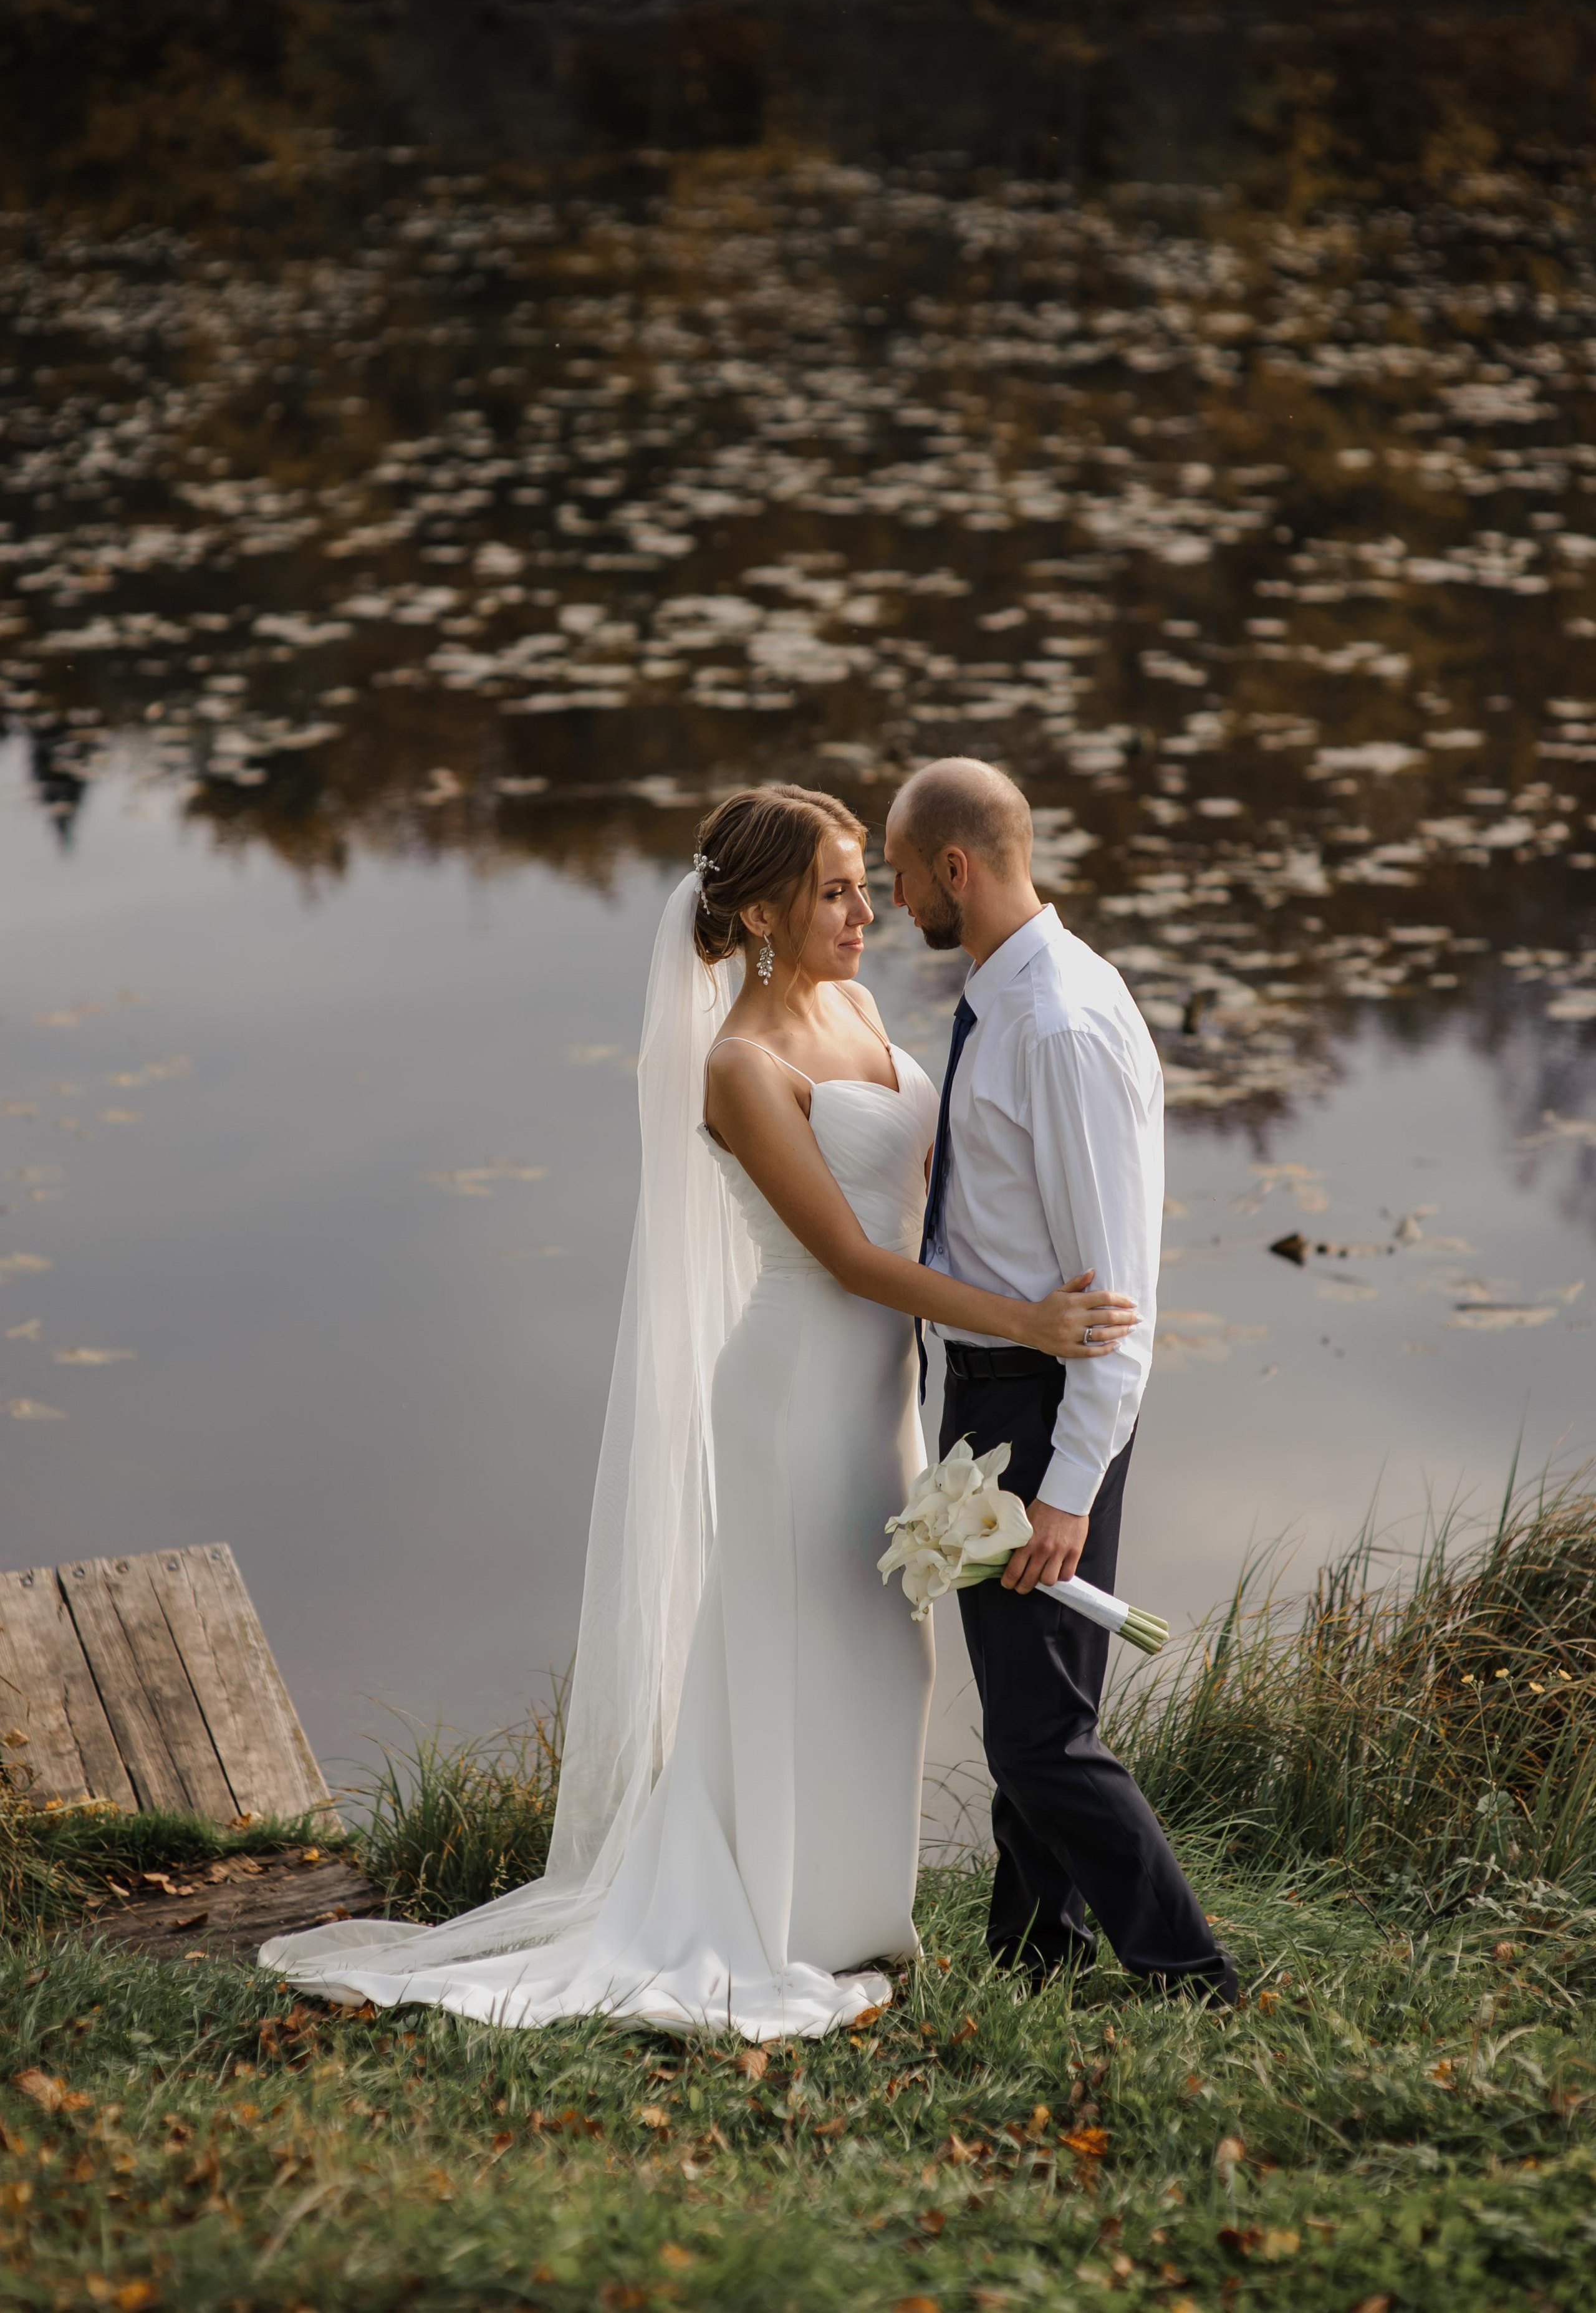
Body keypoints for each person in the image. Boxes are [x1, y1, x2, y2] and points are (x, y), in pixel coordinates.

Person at [259, 783, 1136, 2038]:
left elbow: (931, 1190)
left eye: (861, 881)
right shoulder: (738, 1065)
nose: (863, 910)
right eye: (834, 889)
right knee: (795, 1647)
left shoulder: (860, 1006)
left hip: (885, 1397)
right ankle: (776, 1926)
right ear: (765, 912)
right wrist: (1027, 1323)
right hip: (793, 1394)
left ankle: (857, 1920)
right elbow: (846, 1256)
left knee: (890, 1651)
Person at [884, 756, 1238, 2004]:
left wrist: (1066, 1488)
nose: (891, 898)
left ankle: (1187, 1968)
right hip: (998, 1391)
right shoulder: (1009, 994)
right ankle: (1032, 1958)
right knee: (1049, 1713)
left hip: (1039, 1411)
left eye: (896, 872)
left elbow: (1115, 1301)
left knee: (1033, 1733)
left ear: (954, 868)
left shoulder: (1059, 1020)